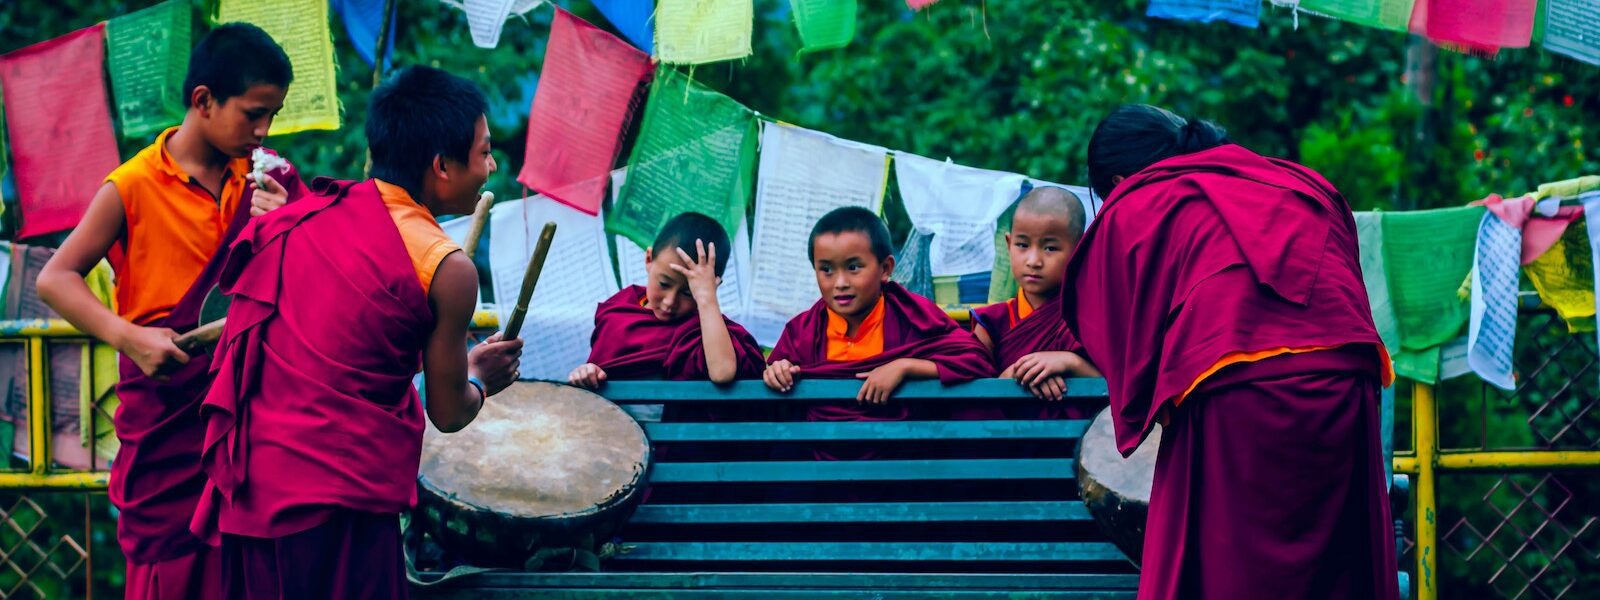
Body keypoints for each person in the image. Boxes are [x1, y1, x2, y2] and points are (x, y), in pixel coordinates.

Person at [188, 65, 523, 599]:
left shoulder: (298, 222)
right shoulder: (447, 267)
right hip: (339, 503)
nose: (491, 165)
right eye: (483, 152)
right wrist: (481, 377)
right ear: (442, 165)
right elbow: (449, 410)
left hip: (252, 491)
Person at [1062, 104, 1398, 600]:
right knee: (1339, 572)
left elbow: (1108, 317)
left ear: (1116, 180)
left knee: (1225, 571)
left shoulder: (1141, 199)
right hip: (1346, 382)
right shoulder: (1298, 180)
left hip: (1233, 388)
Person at [36, 23, 306, 599]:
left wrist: (288, 221)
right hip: (169, 405)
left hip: (251, 414)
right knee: (174, 570)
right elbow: (55, 279)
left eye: (272, 117)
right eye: (253, 113)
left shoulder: (266, 178)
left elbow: (313, 279)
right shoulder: (131, 185)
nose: (263, 132)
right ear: (203, 100)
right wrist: (128, 338)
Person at [763, 206, 994, 459]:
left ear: (885, 269)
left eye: (853, 267)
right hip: (820, 466)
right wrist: (777, 372)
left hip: (901, 464)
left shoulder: (912, 315)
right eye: (826, 270)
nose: (840, 283)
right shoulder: (803, 330)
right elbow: (775, 382)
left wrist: (906, 367)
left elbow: (975, 358)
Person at [568, 211, 764, 390]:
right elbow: (597, 375)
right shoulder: (619, 313)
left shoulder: (710, 331)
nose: (670, 302)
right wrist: (587, 373)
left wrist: (706, 300)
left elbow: (722, 372)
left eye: (688, 293)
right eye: (664, 283)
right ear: (648, 259)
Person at [968, 186, 1101, 418]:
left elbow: (1115, 391)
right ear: (1008, 244)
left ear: (1079, 249)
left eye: (1050, 248)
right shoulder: (991, 323)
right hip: (1006, 447)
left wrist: (1070, 363)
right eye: (1022, 245)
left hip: (1081, 447)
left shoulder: (1088, 315)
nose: (1033, 260)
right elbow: (975, 405)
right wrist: (1018, 374)